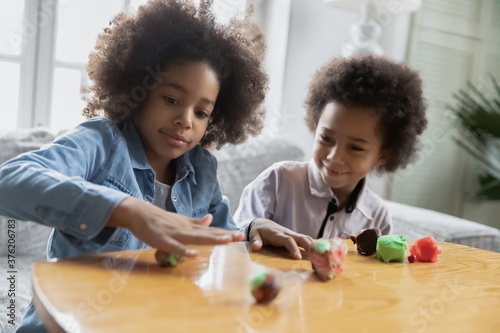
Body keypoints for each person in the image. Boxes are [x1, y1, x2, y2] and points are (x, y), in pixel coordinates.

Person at [0, 1, 308, 331]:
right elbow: (10, 181)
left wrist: (253, 231)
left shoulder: (201, 169)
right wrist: (125, 209)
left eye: (201, 112)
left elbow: (222, 240)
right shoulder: (101, 142)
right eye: (171, 99)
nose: (185, 120)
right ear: (138, 89)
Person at [234, 55, 428, 249]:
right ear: (315, 127)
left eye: (355, 148)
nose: (334, 156)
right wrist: (252, 227)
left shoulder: (377, 217)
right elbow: (230, 238)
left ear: (382, 155)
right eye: (326, 139)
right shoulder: (277, 181)